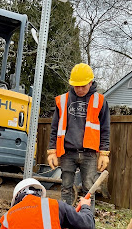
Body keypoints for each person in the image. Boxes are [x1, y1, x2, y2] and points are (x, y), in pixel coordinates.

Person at [47, 63, 110, 213]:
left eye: (83, 85)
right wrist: (52, 151)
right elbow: (55, 127)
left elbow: (105, 129)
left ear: (90, 82)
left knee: (89, 190)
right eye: (76, 86)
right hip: (67, 152)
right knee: (66, 188)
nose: (80, 89)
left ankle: (87, 222)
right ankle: (66, 221)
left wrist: (104, 153)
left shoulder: (100, 101)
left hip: (89, 154)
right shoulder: (63, 100)